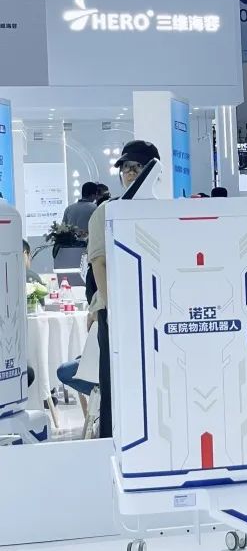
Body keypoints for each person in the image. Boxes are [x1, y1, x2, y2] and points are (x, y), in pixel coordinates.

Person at [87, 140, 161, 440]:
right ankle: (111, 444)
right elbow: (99, 263)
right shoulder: (107, 211)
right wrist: (114, 310)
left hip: (154, 309)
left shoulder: (163, 211)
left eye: (137, 167)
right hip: (117, 311)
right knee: (116, 383)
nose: (130, 173)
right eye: (126, 168)